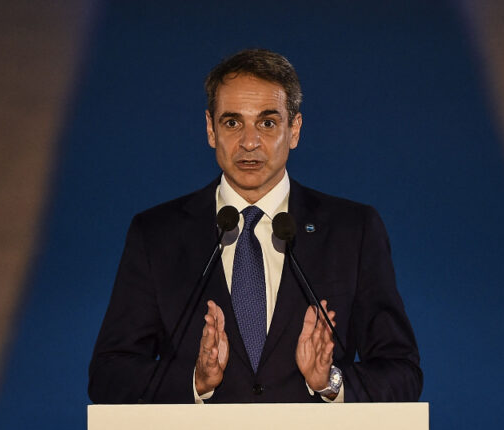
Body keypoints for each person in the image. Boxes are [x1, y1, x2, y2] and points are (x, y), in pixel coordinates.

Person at [88, 49, 421, 404]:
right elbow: (109, 376)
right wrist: (195, 381)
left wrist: (330, 382)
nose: (249, 143)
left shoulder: (352, 231)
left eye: (267, 123)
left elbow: (402, 372)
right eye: (232, 123)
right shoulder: (157, 235)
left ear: (294, 130)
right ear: (210, 129)